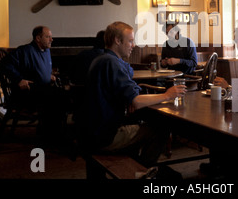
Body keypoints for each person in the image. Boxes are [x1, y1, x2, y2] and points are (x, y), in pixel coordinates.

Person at [79, 21, 186, 167]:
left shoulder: (102, 59)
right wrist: (168, 95)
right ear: (117, 40)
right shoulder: (112, 63)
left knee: (140, 123)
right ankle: (142, 172)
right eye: (130, 41)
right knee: (161, 129)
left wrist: (131, 99)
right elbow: (136, 101)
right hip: (104, 136)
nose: (134, 45)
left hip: (88, 132)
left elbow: (127, 88)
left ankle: (135, 165)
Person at [0, 26, 69, 146]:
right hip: (27, 93)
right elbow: (4, 64)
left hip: (41, 89)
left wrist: (49, 75)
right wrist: (19, 79)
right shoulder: (25, 51)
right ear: (38, 38)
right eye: (48, 37)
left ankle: (52, 133)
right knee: (58, 97)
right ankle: (51, 136)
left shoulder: (46, 50)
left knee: (64, 94)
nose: (51, 39)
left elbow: (39, 70)